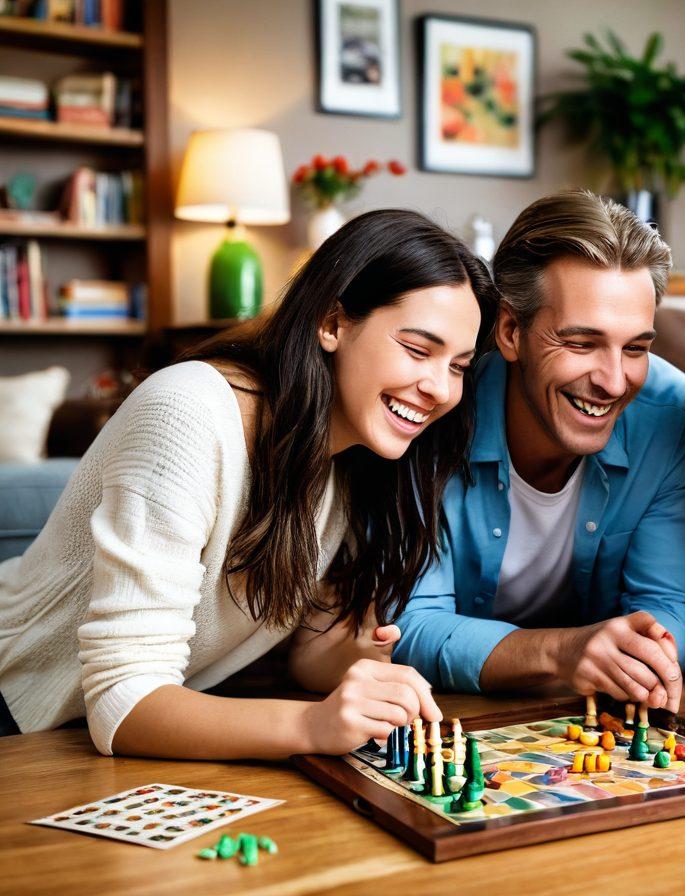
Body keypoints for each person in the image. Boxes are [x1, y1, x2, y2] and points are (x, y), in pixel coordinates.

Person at [0, 210, 498, 758]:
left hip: (100, 743)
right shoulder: (186, 412)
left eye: (458, 366)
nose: (440, 390)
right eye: (417, 349)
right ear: (332, 324)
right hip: (15, 710)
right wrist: (311, 727)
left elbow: (314, 654)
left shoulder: (360, 452)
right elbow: (123, 699)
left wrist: (366, 668)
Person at [394, 190, 685, 712]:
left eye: (635, 348)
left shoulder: (674, 416)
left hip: (581, 719)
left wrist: (643, 657)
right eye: (581, 344)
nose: (613, 382)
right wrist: (561, 651)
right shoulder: (432, 406)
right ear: (511, 331)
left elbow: (671, 604)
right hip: (449, 717)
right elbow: (409, 623)